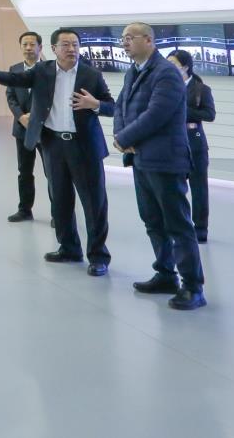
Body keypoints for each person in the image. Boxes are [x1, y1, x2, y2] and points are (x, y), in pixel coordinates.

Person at [77, 23, 204, 310]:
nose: (124, 43)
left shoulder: (166, 73)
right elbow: (121, 107)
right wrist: (121, 137)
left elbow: (157, 114)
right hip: (141, 159)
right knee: (153, 221)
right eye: (123, 39)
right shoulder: (133, 71)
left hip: (165, 161)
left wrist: (124, 138)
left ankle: (193, 286)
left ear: (148, 40)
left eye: (130, 38)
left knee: (177, 224)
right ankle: (166, 274)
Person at [0, 27, 114, 275]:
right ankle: (69, 248)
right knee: (60, 200)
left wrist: (95, 104)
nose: (71, 49)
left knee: (94, 203)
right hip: (53, 144)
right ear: (54, 49)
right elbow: (17, 80)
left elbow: (112, 106)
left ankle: (98, 256)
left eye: (75, 44)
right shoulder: (43, 70)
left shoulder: (91, 74)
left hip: (84, 146)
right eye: (65, 44)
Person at [168, 49, 215, 242]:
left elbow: (209, 115)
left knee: (199, 188)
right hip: (172, 142)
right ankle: (178, 225)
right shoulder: (165, 87)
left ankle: (201, 228)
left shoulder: (201, 89)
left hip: (194, 142)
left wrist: (182, 110)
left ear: (185, 67)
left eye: (173, 64)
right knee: (172, 187)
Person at [5, 30, 45, 222]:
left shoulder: (49, 69)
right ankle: (25, 210)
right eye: (25, 45)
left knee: (52, 173)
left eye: (32, 44)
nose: (28, 48)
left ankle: (59, 214)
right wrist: (20, 116)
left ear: (40, 47)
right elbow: (10, 96)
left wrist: (36, 117)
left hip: (45, 130)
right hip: (22, 129)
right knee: (24, 172)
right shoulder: (14, 69)